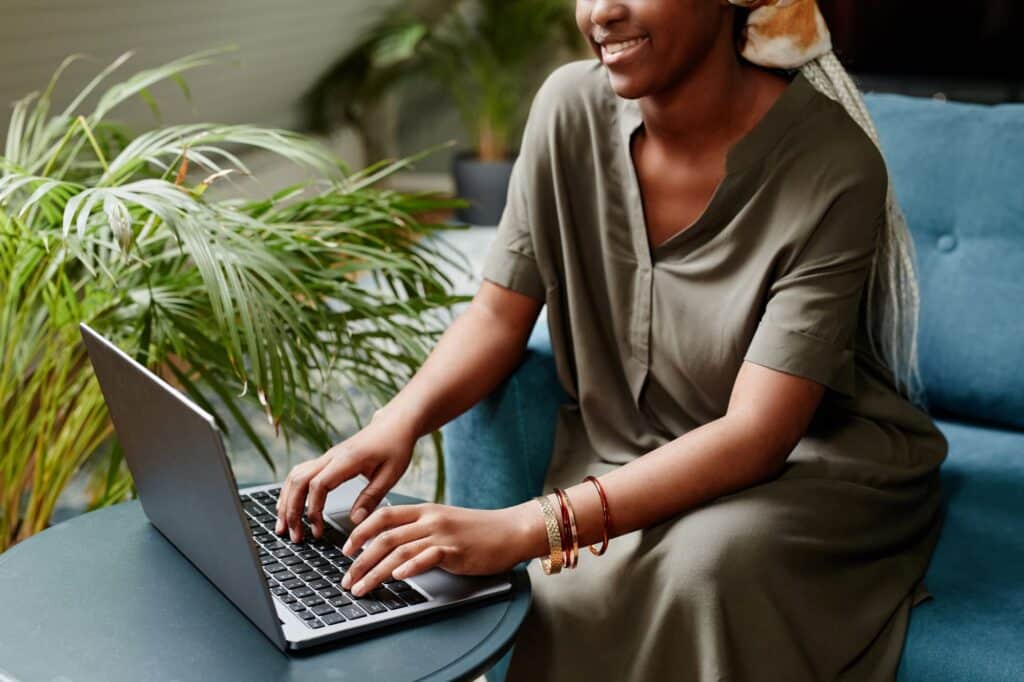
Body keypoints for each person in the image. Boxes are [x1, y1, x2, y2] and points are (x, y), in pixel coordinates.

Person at [274, 0, 948, 679]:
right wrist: (394, 424)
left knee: (702, 570)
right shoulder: (568, 109)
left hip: (802, 464)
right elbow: (497, 316)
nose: (601, 11)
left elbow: (756, 434)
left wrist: (524, 528)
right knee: (589, 583)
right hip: (619, 454)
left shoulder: (834, 163)